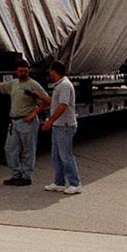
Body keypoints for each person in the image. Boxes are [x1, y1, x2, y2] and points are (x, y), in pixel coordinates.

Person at [0, 60, 52, 186]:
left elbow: (47, 101)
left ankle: (26, 176)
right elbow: (0, 86)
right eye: (20, 71)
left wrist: (34, 113)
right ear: (16, 71)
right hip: (14, 122)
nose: (23, 73)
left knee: (28, 150)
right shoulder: (14, 83)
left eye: (25, 71)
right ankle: (15, 174)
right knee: (10, 148)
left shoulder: (33, 85)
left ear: (28, 70)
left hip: (27, 121)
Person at [41, 60, 81, 195]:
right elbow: (55, 102)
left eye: (50, 71)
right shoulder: (59, 85)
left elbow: (63, 105)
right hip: (59, 126)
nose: (50, 74)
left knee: (66, 155)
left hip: (65, 126)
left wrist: (50, 121)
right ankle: (59, 182)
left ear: (54, 71)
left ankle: (75, 183)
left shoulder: (64, 85)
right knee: (56, 155)